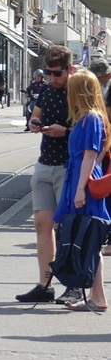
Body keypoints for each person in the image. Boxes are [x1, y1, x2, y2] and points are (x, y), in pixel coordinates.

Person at [17, 46, 75, 303]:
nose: (52, 78)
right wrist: (34, 123)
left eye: (57, 73)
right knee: (42, 223)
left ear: (69, 69)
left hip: (69, 165)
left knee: (69, 228)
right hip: (44, 162)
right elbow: (36, 115)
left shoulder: (79, 91)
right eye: (49, 73)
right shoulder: (47, 90)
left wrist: (65, 131)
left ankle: (74, 283)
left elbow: (93, 129)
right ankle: (45, 284)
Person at [54, 69, 110, 311]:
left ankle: (98, 297)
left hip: (81, 179)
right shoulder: (90, 117)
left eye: (71, 87)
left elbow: (89, 155)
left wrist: (79, 189)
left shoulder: (89, 119)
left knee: (88, 239)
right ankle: (97, 296)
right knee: (88, 240)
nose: (67, 90)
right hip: (80, 176)